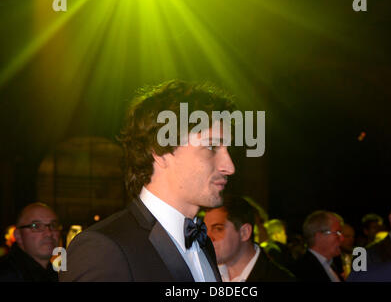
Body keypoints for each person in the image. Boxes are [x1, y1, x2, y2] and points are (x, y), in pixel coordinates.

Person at [60, 80, 236, 281]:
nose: (229, 167)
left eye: (227, 149)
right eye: (212, 147)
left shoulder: (203, 244)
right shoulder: (102, 249)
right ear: (161, 153)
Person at [204, 196, 295, 282]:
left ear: (244, 232)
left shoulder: (279, 278)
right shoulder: (204, 275)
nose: (207, 238)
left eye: (218, 229)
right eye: (204, 230)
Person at [0, 203, 61, 282]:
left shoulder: (53, 273)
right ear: (18, 235)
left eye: (53, 225)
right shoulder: (6, 275)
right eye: (36, 226)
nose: (49, 233)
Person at [290, 210, 344, 282]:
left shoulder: (332, 264)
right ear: (320, 236)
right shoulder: (303, 271)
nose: (342, 238)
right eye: (337, 233)